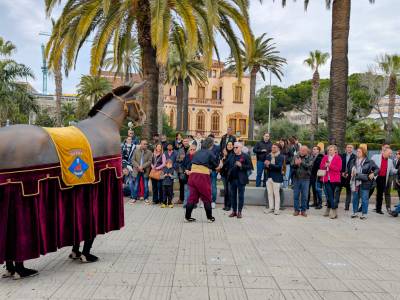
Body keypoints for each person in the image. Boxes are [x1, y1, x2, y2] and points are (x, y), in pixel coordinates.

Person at [185, 137, 218, 223]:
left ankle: (187, 217)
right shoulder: (210, 153)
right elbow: (215, 165)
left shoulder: (197, 152)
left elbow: (191, 163)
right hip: (202, 177)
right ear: (210, 145)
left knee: (192, 197)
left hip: (192, 176)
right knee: (206, 196)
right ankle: (210, 217)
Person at [225, 142, 253, 218]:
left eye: (236, 147)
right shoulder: (231, 156)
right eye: (234, 147)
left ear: (240, 148)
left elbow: (250, 167)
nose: (234, 149)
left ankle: (239, 212)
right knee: (233, 196)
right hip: (232, 179)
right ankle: (234, 211)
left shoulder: (245, 156)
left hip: (241, 179)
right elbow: (226, 164)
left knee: (241, 196)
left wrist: (241, 166)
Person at [349, 147, 378, 219]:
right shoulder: (353, 160)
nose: (357, 153)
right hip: (355, 182)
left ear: (363, 153)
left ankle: (364, 214)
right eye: (357, 151)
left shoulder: (369, 161)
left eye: (359, 152)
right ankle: (355, 212)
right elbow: (350, 168)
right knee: (355, 198)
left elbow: (377, 169)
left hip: (365, 182)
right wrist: (351, 171)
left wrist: (373, 174)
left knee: (364, 199)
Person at [371, 145, 397, 214]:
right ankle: (362, 207)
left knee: (380, 194)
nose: (390, 155)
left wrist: (398, 170)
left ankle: (378, 209)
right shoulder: (375, 157)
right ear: (384, 152)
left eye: (391, 153)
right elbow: (370, 165)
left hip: (383, 178)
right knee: (369, 192)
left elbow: (392, 170)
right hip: (374, 177)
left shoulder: (390, 161)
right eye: (389, 153)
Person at [319, 145, 342, 219]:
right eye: (329, 150)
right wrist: (325, 166)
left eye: (331, 150)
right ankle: (334, 210)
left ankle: (328, 209)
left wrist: (330, 165)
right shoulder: (325, 157)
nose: (330, 151)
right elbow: (321, 166)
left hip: (334, 179)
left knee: (330, 195)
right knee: (329, 194)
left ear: (335, 150)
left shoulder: (338, 158)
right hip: (326, 178)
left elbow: (339, 168)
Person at [291, 146, 313, 217]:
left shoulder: (310, 157)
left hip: (305, 179)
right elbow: (292, 165)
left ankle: (303, 211)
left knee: (305, 196)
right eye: (301, 150)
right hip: (296, 178)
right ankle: (296, 210)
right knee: (296, 195)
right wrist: (295, 164)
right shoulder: (295, 156)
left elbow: (309, 166)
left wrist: (301, 163)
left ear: (307, 151)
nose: (302, 151)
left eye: (304, 150)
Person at [264, 143, 284, 215]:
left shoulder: (281, 157)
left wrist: (270, 164)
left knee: (276, 194)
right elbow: (266, 167)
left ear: (278, 148)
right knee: (269, 193)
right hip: (269, 177)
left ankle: (277, 209)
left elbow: (279, 167)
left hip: (277, 177)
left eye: (275, 147)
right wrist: (266, 165)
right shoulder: (268, 155)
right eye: (272, 147)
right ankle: (271, 208)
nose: (273, 149)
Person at [335, 144, 356, 211]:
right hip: (341, 176)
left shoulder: (355, 157)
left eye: (350, 147)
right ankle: (335, 204)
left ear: (352, 149)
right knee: (337, 190)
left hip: (350, 176)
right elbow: (338, 165)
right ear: (346, 148)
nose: (349, 148)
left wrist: (349, 174)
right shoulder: (341, 156)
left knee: (349, 192)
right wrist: (342, 173)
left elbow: (355, 167)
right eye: (348, 147)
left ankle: (347, 206)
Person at [219, 142, 235, 211]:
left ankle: (229, 205)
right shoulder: (224, 154)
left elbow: (230, 164)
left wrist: (225, 157)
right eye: (228, 145)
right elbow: (222, 165)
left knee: (229, 190)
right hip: (224, 175)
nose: (229, 146)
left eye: (231, 145)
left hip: (230, 175)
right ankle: (225, 205)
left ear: (233, 146)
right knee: (226, 190)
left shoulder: (233, 154)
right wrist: (224, 157)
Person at [182, 144, 197, 208]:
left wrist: (192, 171)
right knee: (186, 190)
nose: (192, 151)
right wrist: (185, 170)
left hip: (195, 176)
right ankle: (186, 203)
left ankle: (193, 204)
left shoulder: (197, 157)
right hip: (187, 176)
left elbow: (199, 166)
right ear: (189, 150)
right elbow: (182, 165)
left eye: (194, 150)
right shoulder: (186, 156)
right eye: (191, 149)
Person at [176, 138, 190, 204]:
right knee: (181, 185)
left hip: (189, 170)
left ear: (188, 142)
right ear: (183, 142)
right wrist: (181, 159)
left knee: (189, 185)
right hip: (181, 170)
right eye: (184, 141)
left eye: (187, 141)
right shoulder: (180, 150)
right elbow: (177, 159)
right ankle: (181, 199)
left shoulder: (191, 149)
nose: (185, 142)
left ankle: (189, 199)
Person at [208, 134, 220, 209]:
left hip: (213, 170)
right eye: (209, 139)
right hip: (205, 170)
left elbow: (217, 159)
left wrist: (214, 168)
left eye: (212, 139)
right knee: (205, 186)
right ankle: (205, 201)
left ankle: (213, 201)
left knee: (213, 186)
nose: (211, 140)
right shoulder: (205, 147)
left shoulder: (217, 148)